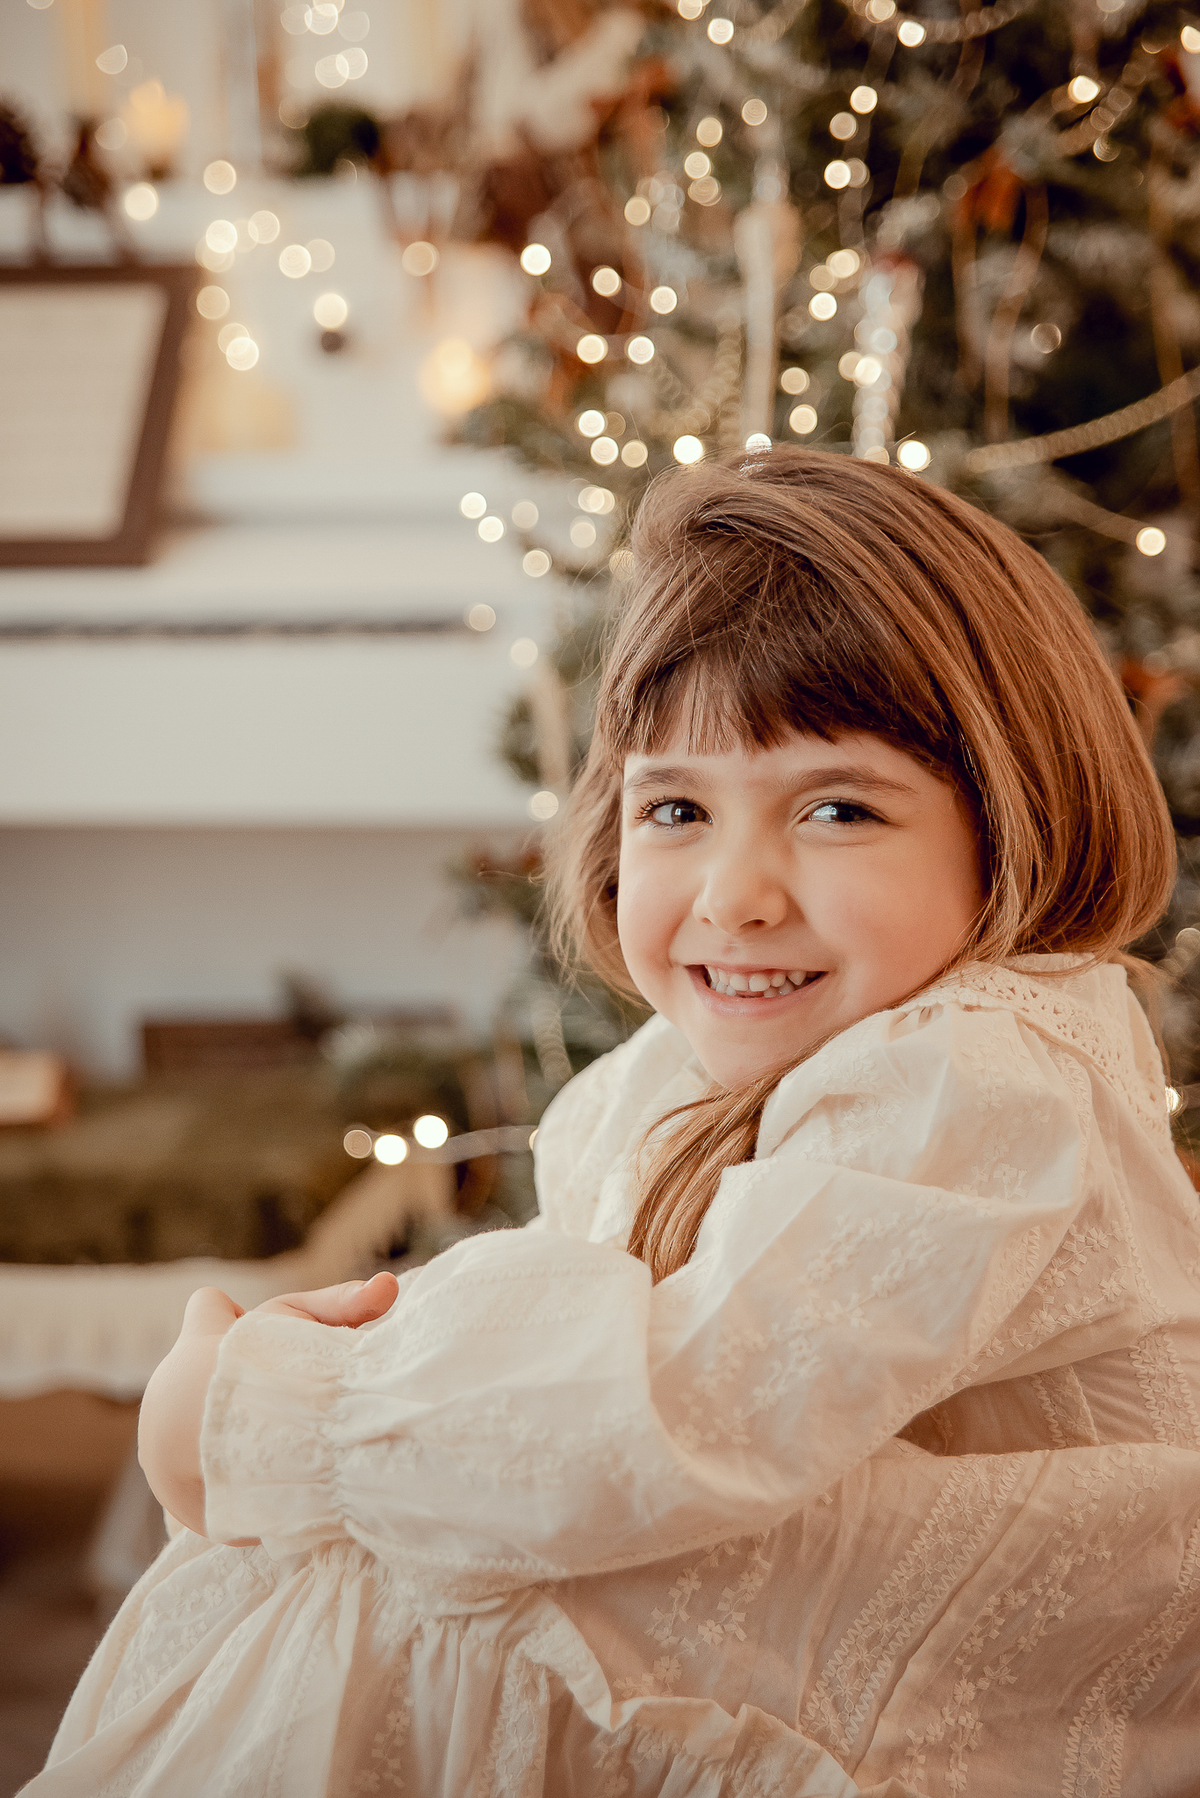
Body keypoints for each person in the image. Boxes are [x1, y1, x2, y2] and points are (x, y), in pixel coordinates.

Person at [26, 448, 1200, 1798]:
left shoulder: (979, 1067)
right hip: (856, 1591)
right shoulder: (678, 1076)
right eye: (678, 809)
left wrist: (275, 1416)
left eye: (836, 808)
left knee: (407, 1574)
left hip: (1043, 1680)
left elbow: (683, 1407)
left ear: (1012, 827)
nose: (737, 893)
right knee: (415, 1536)